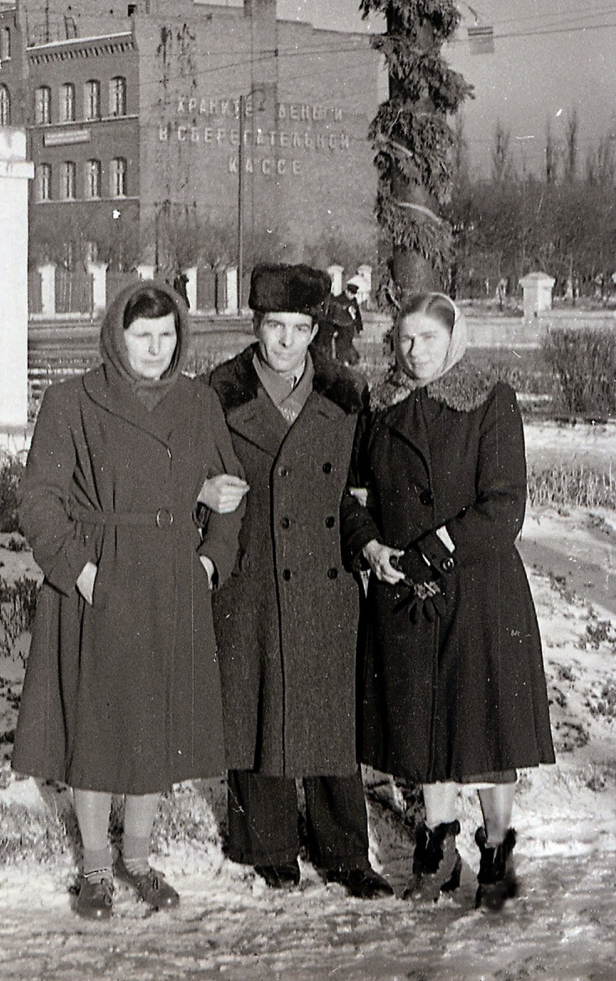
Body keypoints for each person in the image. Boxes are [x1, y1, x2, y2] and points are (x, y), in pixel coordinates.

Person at [12, 282, 248, 921]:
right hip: (100, 576)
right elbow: (38, 501)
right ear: (116, 335)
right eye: (142, 335)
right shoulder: (71, 401)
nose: (155, 348)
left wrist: (208, 563)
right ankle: (94, 868)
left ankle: (137, 859)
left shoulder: (199, 403)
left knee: (154, 728)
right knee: (98, 726)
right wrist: (80, 572)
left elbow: (230, 492)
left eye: (167, 334)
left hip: (171, 577)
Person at [342, 292, 555, 908]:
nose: (416, 352)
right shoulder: (378, 405)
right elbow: (356, 498)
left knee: (483, 731)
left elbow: (505, 505)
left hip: (477, 590)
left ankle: (495, 853)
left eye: (429, 340)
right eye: (406, 340)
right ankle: (435, 853)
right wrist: (371, 548)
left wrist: (436, 545)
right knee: (424, 732)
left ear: (454, 340)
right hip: (405, 591)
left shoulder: (492, 401)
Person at [208, 263, 392, 899]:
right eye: (274, 327)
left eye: (300, 328)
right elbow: (195, 481)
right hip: (251, 576)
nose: (286, 342)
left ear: (316, 329)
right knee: (256, 708)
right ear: (255, 325)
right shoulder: (220, 392)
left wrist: (365, 541)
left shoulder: (345, 394)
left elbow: (354, 492)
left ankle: (345, 852)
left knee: (329, 718)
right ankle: (269, 845)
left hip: (325, 578)